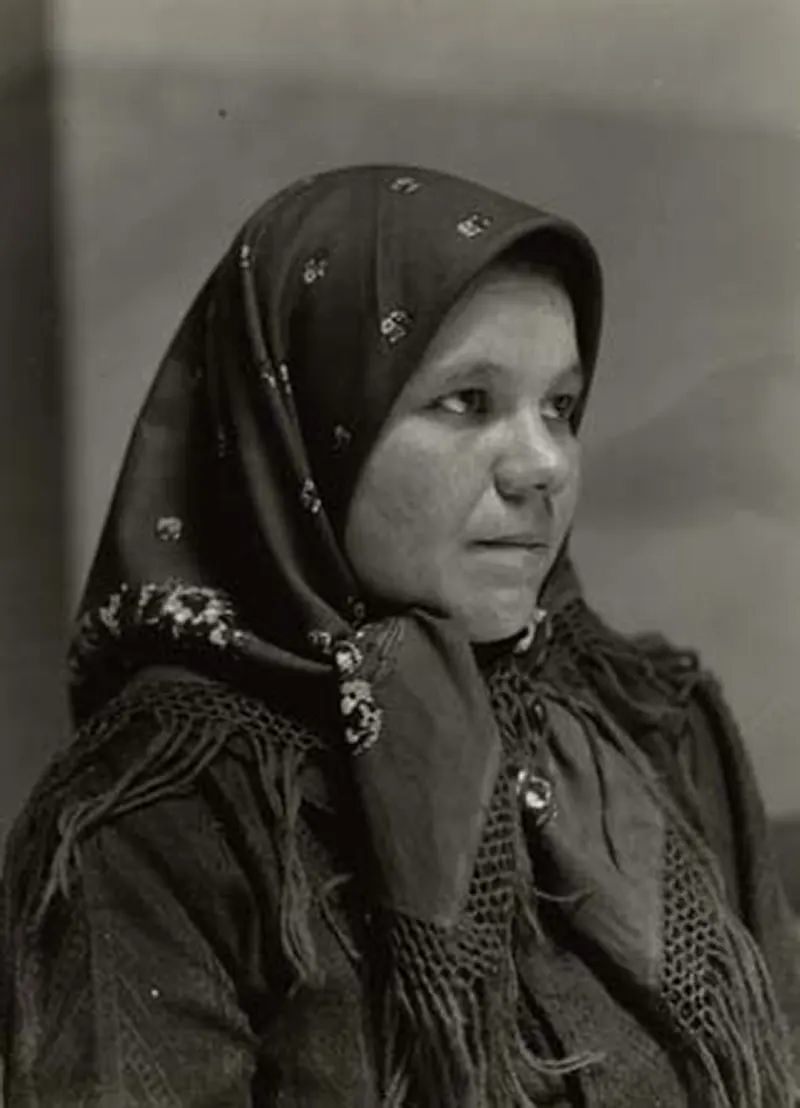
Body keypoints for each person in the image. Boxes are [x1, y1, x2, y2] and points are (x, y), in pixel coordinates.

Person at [2, 165, 798, 1107]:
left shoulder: (653, 726)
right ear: (309, 432)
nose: (542, 465)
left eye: (562, 408)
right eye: (466, 402)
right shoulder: (164, 812)